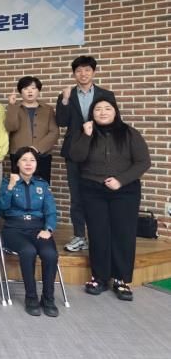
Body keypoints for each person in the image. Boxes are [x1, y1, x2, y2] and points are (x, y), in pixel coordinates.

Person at [69, 98, 150, 301]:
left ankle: (121, 279)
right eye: (98, 109)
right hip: (92, 190)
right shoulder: (85, 132)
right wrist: (86, 135)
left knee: (123, 234)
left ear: (115, 112)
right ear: (92, 113)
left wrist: (121, 180)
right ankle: (100, 277)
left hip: (125, 191)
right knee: (98, 233)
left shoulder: (129, 133)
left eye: (107, 108)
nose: (103, 112)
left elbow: (143, 162)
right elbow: (76, 157)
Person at [56, 55, 116, 253]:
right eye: (79, 70)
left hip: (98, 151)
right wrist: (65, 100)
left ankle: (99, 236)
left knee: (99, 193)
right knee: (77, 195)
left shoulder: (106, 94)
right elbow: (61, 122)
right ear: (74, 74)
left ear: (94, 72)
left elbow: (113, 122)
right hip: (74, 151)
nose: (83, 74)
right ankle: (79, 236)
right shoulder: (66, 95)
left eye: (87, 70)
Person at [0, 147, 59, 317]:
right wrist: (10, 187)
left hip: (38, 229)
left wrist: (48, 229)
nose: (28, 164)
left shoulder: (42, 184)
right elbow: (1, 209)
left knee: (50, 254)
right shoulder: (7, 182)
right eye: (24, 160)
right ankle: (31, 297)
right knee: (28, 251)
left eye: (32, 160)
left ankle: (48, 299)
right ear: (17, 163)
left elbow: (51, 211)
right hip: (14, 229)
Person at [5, 76, 59, 183]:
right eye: (26, 88)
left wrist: (37, 148)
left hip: (42, 155)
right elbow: (11, 127)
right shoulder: (14, 108)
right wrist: (12, 106)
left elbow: (54, 132)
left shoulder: (48, 109)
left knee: (42, 185)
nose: (30, 91)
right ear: (20, 92)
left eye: (33, 88)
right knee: (19, 186)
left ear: (38, 90)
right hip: (19, 155)